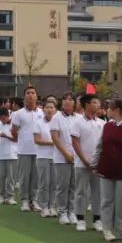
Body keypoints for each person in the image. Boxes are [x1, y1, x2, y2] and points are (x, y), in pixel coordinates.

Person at [95, 98, 122, 242]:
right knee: (107, 200)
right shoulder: (107, 126)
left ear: (117, 110)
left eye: (109, 108)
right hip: (106, 167)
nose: (107, 110)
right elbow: (100, 146)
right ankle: (107, 229)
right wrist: (95, 164)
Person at [70, 93, 104, 233]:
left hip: (97, 165)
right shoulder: (78, 122)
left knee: (98, 192)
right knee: (81, 192)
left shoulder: (102, 123)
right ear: (87, 105)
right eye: (95, 102)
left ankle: (97, 219)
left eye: (98, 102)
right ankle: (80, 219)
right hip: (82, 163)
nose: (98, 105)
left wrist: (97, 162)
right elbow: (75, 142)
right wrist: (85, 160)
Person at [11, 85, 43, 212]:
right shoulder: (18, 113)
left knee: (36, 177)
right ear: (24, 96)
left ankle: (34, 200)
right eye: (28, 93)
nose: (30, 95)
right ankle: (24, 200)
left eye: (33, 93)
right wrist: (22, 139)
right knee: (24, 177)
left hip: (39, 150)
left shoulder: (41, 113)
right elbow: (14, 130)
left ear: (36, 96)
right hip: (24, 149)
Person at [50, 92, 78, 225]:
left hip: (76, 157)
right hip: (61, 157)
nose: (67, 101)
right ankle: (62, 211)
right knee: (63, 186)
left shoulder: (79, 117)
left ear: (75, 103)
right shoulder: (56, 117)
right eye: (65, 99)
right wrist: (66, 153)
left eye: (71, 99)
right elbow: (55, 137)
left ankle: (72, 211)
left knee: (74, 186)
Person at [34, 99, 58, 217]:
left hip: (56, 157)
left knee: (54, 184)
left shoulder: (58, 123)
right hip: (43, 156)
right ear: (43, 109)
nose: (49, 110)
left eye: (51, 107)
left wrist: (57, 143)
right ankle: (44, 207)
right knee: (44, 183)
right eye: (47, 107)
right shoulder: (38, 123)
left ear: (55, 110)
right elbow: (37, 140)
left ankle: (52, 206)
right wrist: (53, 142)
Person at [0, 107, 17, 203]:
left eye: (3, 118)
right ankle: (1, 195)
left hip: (12, 154)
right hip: (0, 154)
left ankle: (10, 196)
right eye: (0, 118)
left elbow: (17, 139)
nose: (2, 120)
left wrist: (6, 136)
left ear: (7, 116)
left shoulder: (14, 125)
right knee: (1, 177)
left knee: (11, 177)